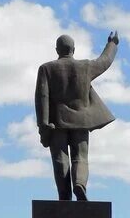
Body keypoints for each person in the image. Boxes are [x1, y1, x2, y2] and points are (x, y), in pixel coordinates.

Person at [35, 32, 119, 201]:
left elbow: (42, 97)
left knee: (60, 158)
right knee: (80, 157)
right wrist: (112, 44)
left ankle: (64, 195)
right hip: (81, 121)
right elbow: (104, 62)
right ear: (73, 50)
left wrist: (43, 124)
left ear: (57, 50)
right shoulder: (85, 67)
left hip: (56, 123)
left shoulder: (46, 68)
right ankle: (80, 183)